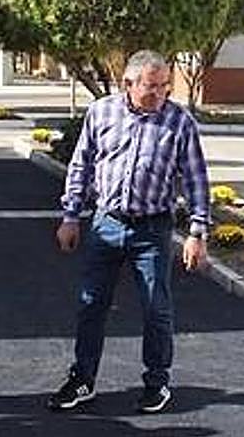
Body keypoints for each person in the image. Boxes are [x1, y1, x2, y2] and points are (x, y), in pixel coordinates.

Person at [48, 50, 210, 414]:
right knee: (91, 305)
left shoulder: (179, 122)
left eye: (165, 86)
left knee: (156, 308)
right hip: (106, 224)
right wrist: (70, 216)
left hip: (152, 229)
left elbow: (196, 180)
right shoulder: (101, 112)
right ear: (129, 84)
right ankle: (82, 379)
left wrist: (197, 233)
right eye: (152, 87)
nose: (160, 94)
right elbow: (81, 166)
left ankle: (157, 383)